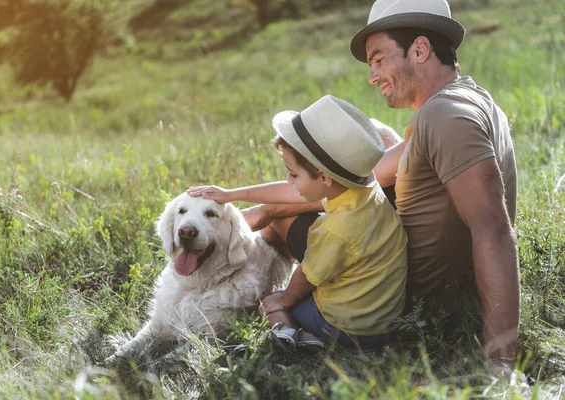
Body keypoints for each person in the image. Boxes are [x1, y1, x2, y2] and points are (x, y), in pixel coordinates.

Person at [241, 0, 521, 377]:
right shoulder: (471, 101)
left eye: (379, 59)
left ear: (420, 49)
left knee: (287, 219)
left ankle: (259, 301)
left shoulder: (446, 118)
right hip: (413, 269)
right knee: (376, 137)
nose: (372, 76)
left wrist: (501, 361)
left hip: (396, 296)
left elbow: (493, 228)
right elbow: (365, 173)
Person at [188, 95, 408, 350]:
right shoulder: (361, 190)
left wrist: (285, 299)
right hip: (382, 314)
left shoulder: (338, 230)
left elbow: (306, 276)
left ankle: (291, 338)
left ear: (325, 178)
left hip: (351, 328)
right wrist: (231, 194)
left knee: (270, 304)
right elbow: (288, 192)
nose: (288, 179)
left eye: (293, 174)